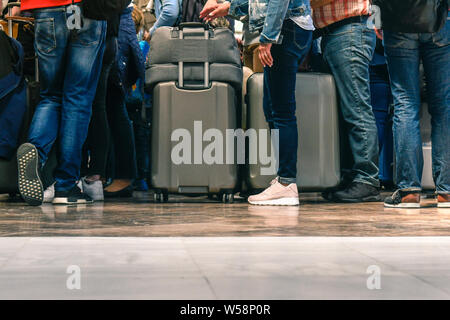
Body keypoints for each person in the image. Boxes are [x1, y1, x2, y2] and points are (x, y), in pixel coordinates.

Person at [201, 0, 313, 206]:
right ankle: (283, 180)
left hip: (285, 30)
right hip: (289, 28)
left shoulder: (278, 31)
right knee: (272, 108)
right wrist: (229, 7)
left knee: (281, 111)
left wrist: (268, 38)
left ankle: (287, 183)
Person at [16, 0, 106, 206]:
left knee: (50, 96)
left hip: (46, 9)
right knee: (77, 98)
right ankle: (66, 185)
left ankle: (36, 154)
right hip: (87, 10)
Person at [313, 0, 381, 203]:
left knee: (357, 109)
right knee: (345, 112)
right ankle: (352, 176)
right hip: (337, 32)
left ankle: (367, 179)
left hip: (349, 30)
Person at [383, 11, 449, 208]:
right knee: (444, 105)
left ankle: (408, 193)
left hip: (399, 20)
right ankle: (446, 191)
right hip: (441, 19)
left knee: (405, 103)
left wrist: (381, 19)